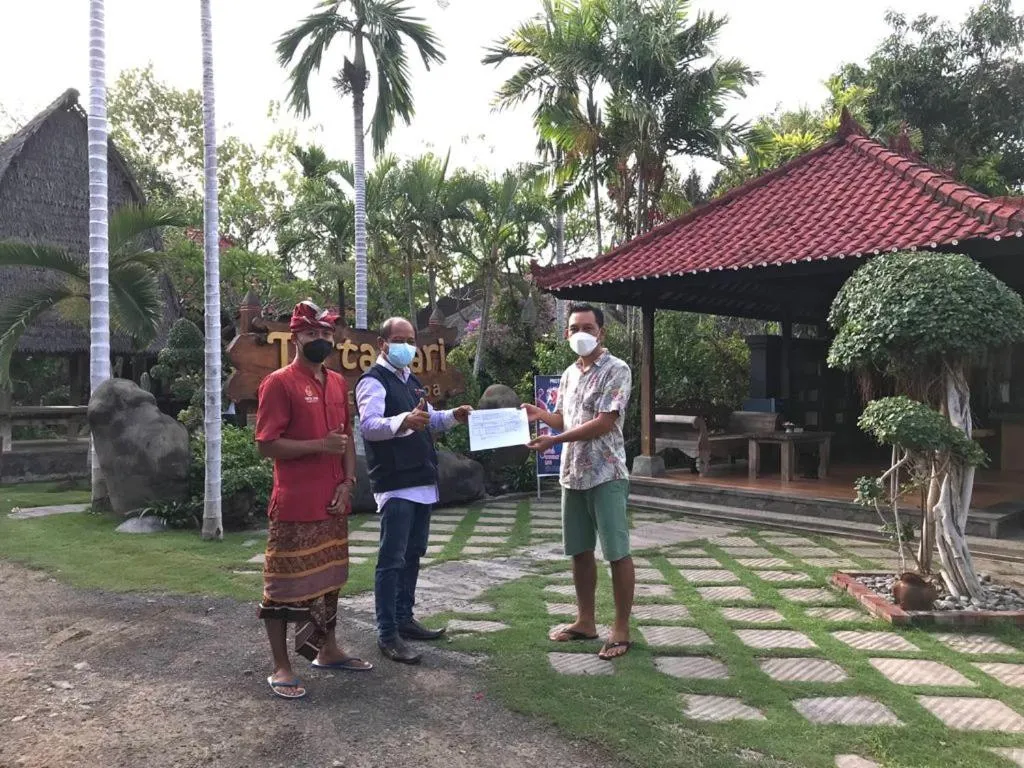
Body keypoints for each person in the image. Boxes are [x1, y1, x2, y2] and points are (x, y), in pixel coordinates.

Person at [255, 300, 373, 700]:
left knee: (330, 580)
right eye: (312, 334)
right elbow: (266, 445)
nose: (320, 340)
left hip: (333, 499)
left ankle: (328, 649)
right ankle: (281, 665)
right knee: (284, 586)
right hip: (294, 502)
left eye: (325, 334)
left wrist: (348, 482)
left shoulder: (339, 382)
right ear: (296, 337)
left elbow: (346, 440)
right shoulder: (279, 383)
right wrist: (318, 445)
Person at [355, 317, 472, 664]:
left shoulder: (411, 380)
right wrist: (403, 421)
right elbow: (370, 426)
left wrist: (455, 415)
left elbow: (430, 419)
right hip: (395, 482)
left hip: (421, 480)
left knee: (413, 553)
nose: (407, 346)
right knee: (391, 559)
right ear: (382, 343)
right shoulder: (373, 382)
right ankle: (387, 632)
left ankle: (404, 619)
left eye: (411, 339)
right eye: (399, 339)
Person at [523, 303, 635, 660]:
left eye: (588, 326)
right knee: (579, 551)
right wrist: (542, 416)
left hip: (606, 472)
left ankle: (620, 628)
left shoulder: (617, 370)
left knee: (616, 552)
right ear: (566, 333)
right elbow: (564, 419)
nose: (580, 333)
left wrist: (554, 441)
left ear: (601, 331)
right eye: (574, 328)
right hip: (572, 475)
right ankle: (585, 621)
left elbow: (604, 423)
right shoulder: (570, 373)